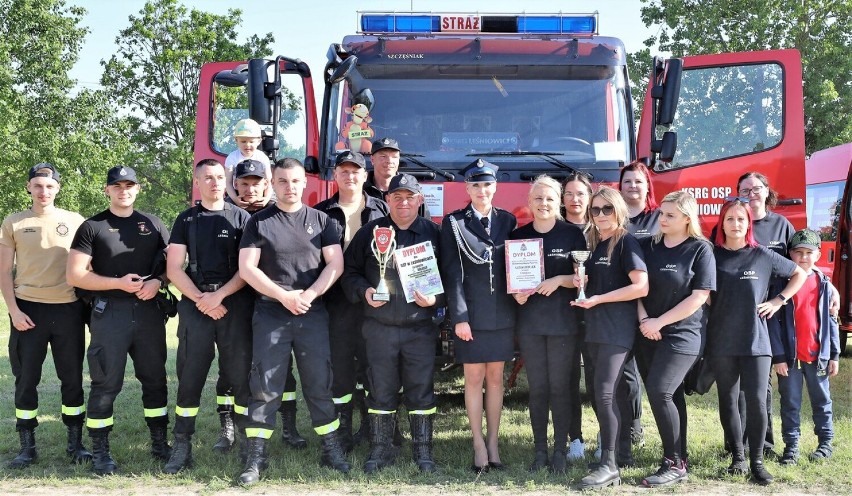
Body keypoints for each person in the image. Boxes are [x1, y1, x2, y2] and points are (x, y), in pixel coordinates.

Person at [236, 158, 349, 484]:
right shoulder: (258, 223)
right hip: (272, 312)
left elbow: (335, 266)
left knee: (318, 383)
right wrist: (284, 296)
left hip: (311, 313)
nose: (290, 187)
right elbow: (247, 268)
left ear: (305, 184)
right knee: (265, 385)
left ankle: (331, 449)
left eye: (295, 181)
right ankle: (256, 458)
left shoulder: (322, 220)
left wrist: (309, 295)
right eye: (283, 181)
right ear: (273, 183)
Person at [66, 166, 172, 475]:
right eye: (117, 185)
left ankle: (159, 443)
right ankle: (101, 451)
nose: (123, 190)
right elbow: (75, 274)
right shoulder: (92, 227)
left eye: (129, 185)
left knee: (155, 380)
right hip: (109, 312)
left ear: (138, 189)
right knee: (105, 383)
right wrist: (118, 283)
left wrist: (159, 283)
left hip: (149, 312)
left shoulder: (153, 224)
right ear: (107, 190)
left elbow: (173, 264)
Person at [341, 173, 442, 473]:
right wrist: (365, 292)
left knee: (421, 390)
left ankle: (423, 453)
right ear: (387, 200)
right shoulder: (370, 232)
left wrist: (436, 300)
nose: (404, 203)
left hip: (419, 328)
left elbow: (452, 278)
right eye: (397, 197)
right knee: (380, 389)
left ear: (420, 200)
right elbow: (350, 272)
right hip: (379, 328)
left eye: (410, 197)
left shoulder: (435, 233)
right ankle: (380, 449)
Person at [706, 198, 806, 486]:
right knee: (728, 400)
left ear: (748, 223)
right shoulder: (711, 255)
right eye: (730, 219)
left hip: (756, 341)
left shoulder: (762, 255)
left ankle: (757, 461)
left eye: (741, 219)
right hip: (722, 340)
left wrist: (778, 300)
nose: (736, 224)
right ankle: (737, 457)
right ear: (721, 223)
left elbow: (799, 274)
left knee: (757, 402)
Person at [162, 159, 253, 473]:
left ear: (226, 180)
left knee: (240, 377)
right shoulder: (186, 220)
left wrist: (220, 296)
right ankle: (182, 446)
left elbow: (248, 269)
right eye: (208, 178)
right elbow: (173, 268)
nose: (215, 183)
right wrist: (202, 299)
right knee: (190, 378)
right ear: (197, 181)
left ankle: (244, 443)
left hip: (234, 304)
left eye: (219, 177)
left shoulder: (242, 218)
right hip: (196, 303)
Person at [0, 163, 90, 468]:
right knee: (26, 380)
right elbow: (3, 272)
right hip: (28, 310)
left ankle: (75, 444)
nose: (43, 191)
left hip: (68, 309)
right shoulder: (13, 222)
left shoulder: (75, 221)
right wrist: (13, 311)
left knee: (73, 379)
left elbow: (88, 265)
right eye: (38, 186)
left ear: (58, 189)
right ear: (28, 187)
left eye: (49, 186)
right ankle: (27, 446)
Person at [440, 160, 517, 473]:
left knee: (496, 379)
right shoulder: (454, 223)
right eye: (475, 185)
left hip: (502, 315)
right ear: (467, 188)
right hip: (470, 317)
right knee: (473, 379)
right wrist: (459, 316)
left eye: (487, 185)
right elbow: (451, 273)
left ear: (495, 187)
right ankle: (477, 443)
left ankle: (494, 442)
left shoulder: (508, 221)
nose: (482, 191)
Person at [636, 191, 716, 487]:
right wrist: (645, 320)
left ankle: (673, 463)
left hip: (683, 334)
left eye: (670, 215)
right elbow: (637, 287)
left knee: (660, 391)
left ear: (687, 218)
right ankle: (679, 456)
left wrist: (660, 321)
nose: (663, 219)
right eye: (662, 213)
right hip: (647, 332)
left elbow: (699, 296)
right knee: (672, 394)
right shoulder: (648, 246)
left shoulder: (700, 249)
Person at [571, 186, 648, 490]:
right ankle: (613, 457)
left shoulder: (626, 242)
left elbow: (640, 286)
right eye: (595, 210)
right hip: (594, 328)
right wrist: (582, 283)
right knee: (599, 394)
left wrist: (599, 299)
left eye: (607, 209)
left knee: (605, 394)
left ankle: (610, 464)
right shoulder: (596, 243)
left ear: (619, 210)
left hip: (617, 329)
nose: (601, 215)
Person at [314, 151, 389, 453]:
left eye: (356, 171)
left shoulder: (383, 210)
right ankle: (343, 431)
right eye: (343, 171)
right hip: (337, 303)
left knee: (375, 367)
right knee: (341, 369)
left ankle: (376, 431)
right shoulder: (320, 213)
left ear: (365, 175)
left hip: (376, 301)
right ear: (335, 176)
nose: (350, 176)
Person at [510, 176, 585, 473]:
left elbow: (582, 279)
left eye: (550, 199)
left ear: (559, 203)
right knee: (538, 388)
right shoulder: (518, 237)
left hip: (563, 324)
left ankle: (560, 452)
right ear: (529, 202)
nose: (544, 204)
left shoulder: (572, 236)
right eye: (538, 199)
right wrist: (516, 295)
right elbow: (511, 283)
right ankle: (539, 451)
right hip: (530, 324)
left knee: (560, 388)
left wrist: (558, 281)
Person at [230, 158, 307, 450]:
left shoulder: (285, 215)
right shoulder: (235, 215)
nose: (250, 189)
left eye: (256, 183)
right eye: (244, 183)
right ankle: (241, 435)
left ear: (266, 185)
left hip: (281, 305)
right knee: (248, 370)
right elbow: (243, 267)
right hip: (247, 303)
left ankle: (289, 426)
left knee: (282, 371)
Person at [771, 229, 840, 464]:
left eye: (809, 253)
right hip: (789, 360)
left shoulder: (824, 284)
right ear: (789, 254)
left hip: (818, 356)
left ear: (818, 255)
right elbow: (774, 323)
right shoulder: (781, 284)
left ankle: (825, 443)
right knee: (790, 403)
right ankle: (791, 447)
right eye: (798, 252)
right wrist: (778, 356)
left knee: (822, 401)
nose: (803, 257)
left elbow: (831, 321)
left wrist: (834, 355)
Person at [614, 161, 659, 463]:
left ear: (647, 187)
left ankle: (672, 441)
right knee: (625, 377)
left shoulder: (660, 218)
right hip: (620, 308)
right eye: (627, 181)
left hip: (656, 310)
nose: (632, 186)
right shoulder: (612, 219)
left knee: (656, 377)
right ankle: (631, 430)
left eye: (638, 182)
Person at [561, 172, 594, 461]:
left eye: (580, 193)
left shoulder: (602, 227)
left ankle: (609, 438)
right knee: (569, 380)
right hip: (564, 318)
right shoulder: (554, 229)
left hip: (600, 317)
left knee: (599, 382)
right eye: (569, 193)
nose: (574, 199)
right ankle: (576, 439)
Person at [366, 137, 430, 218]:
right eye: (383, 156)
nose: (389, 161)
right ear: (372, 160)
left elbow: (426, 225)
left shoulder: (413, 189)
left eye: (394, 156)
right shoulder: (360, 190)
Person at [224, 118, 272, 208]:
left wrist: (266, 199)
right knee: (227, 208)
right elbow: (228, 183)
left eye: (251, 141)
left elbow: (269, 182)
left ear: (259, 141)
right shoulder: (232, 158)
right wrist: (235, 199)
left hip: (258, 193)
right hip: (237, 193)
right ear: (236, 140)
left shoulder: (262, 158)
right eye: (243, 141)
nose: (247, 145)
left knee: (274, 206)